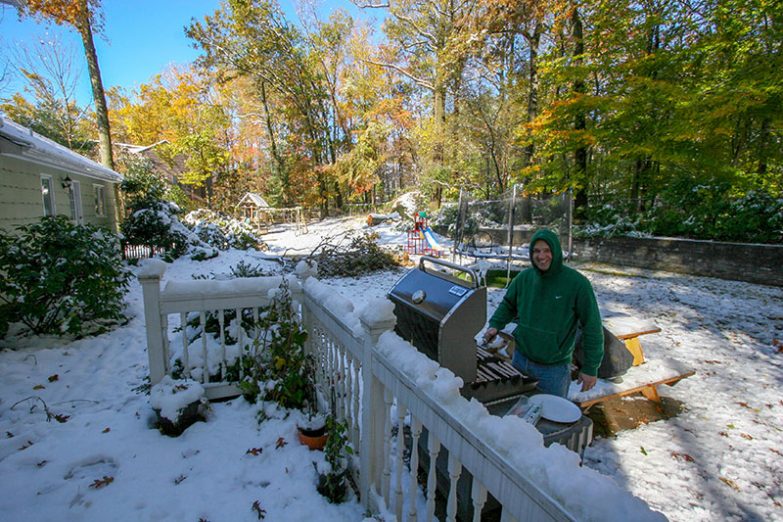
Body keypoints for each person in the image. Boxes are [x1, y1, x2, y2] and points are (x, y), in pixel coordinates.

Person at [482, 229, 604, 398]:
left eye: (547, 250)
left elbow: (592, 327)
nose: (541, 256)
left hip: (553, 370)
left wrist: (591, 367)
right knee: (515, 410)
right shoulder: (524, 278)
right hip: (520, 359)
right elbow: (508, 304)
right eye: (536, 251)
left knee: (549, 417)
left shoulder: (577, 284)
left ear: (556, 251)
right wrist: (495, 325)